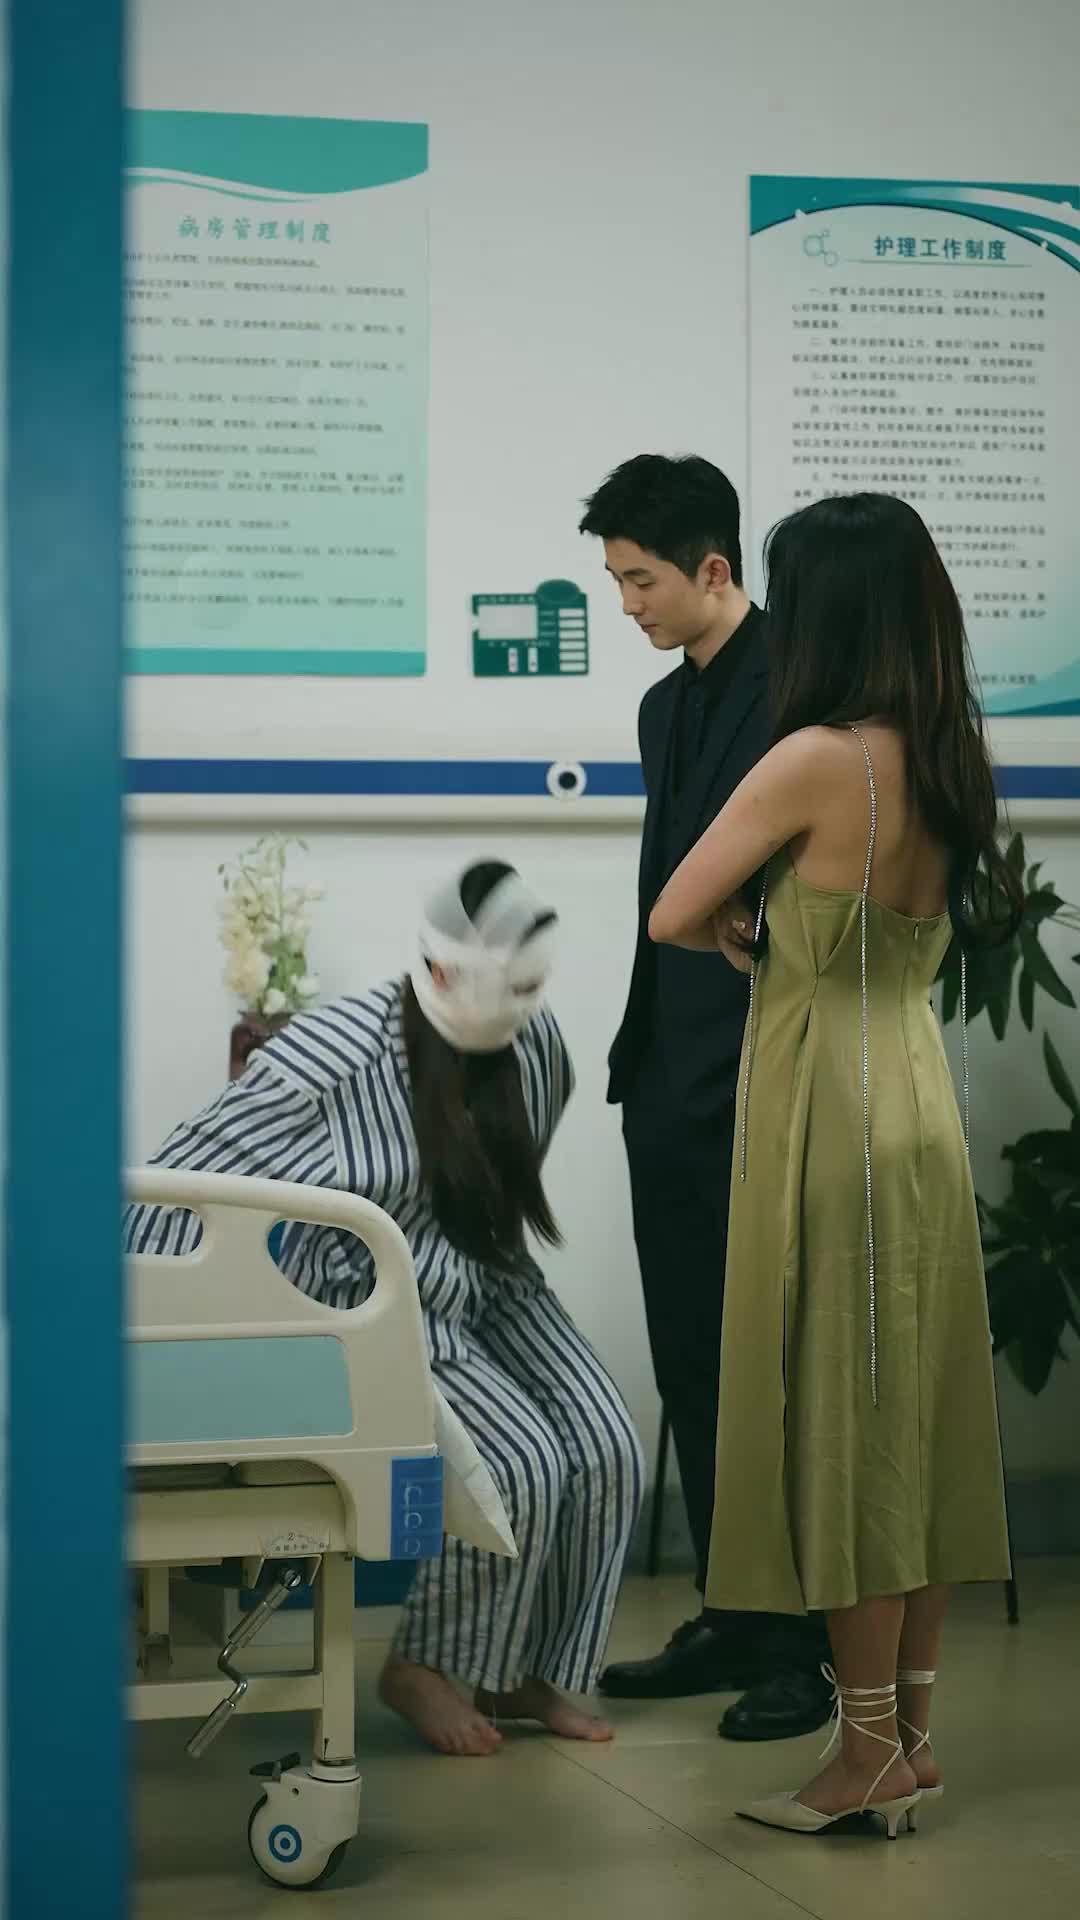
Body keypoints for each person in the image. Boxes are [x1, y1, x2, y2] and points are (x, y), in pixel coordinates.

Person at [649, 491, 1019, 1836]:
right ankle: (908, 1738)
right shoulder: (947, 753)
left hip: (827, 1119)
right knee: (914, 1420)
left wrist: (743, 932)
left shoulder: (813, 757)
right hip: (913, 1096)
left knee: (847, 1432)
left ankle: (860, 1755)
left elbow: (675, 910)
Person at [127, 860, 644, 1758]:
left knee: (608, 1445)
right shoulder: (333, 1060)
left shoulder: (541, 1046)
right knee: (521, 1459)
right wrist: (158, 1333)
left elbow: (508, 1185)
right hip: (372, 1293)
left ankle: (517, 1669)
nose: (515, 1007)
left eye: (528, 988)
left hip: (487, 1271)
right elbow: (183, 1183)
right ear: (432, 967)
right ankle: (428, 1665)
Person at [578, 453, 830, 1740]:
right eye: (617, 581)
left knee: (777, 1366)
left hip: (768, 1063)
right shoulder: (660, 709)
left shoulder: (805, 686)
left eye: (641, 581)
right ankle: (733, 1615)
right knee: (691, 1352)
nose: (627, 604)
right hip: (665, 1074)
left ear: (713, 568)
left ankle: (804, 1644)